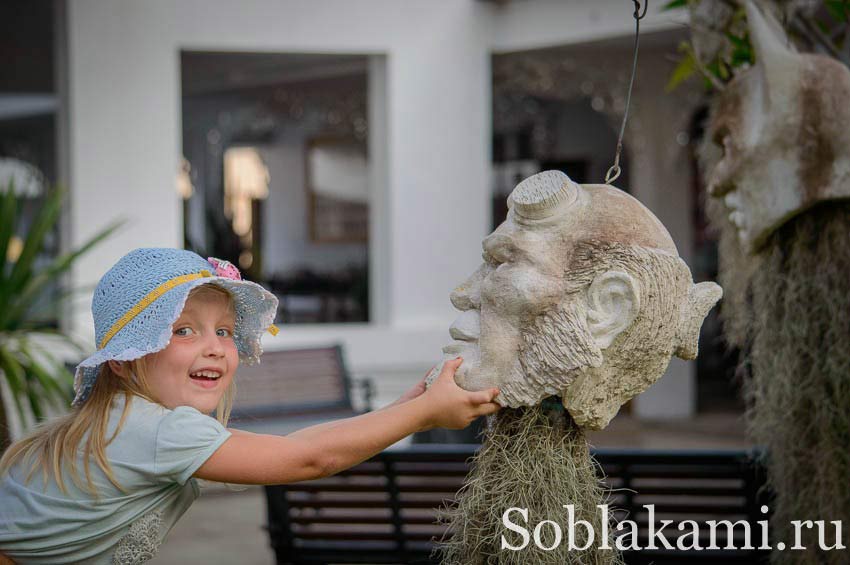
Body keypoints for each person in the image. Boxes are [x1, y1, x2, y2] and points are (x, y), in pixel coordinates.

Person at [0, 248, 500, 564]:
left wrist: (406, 406)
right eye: (183, 331)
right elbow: (307, 458)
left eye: (223, 330)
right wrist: (424, 415)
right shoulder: (156, 431)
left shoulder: (123, 423)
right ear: (125, 362)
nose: (216, 346)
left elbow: (301, 445)